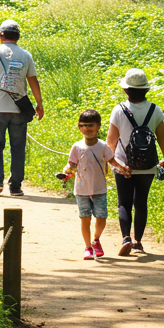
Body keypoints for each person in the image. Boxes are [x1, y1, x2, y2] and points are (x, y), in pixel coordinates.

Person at [104, 68, 164, 256]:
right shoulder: (155, 110)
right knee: (141, 202)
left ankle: (126, 237)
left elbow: (111, 141)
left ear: (126, 90)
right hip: (148, 165)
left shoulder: (119, 110)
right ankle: (138, 241)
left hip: (124, 165)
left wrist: (114, 164)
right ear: (146, 90)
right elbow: (162, 138)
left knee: (124, 203)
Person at [0, 19, 44, 196]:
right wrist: (39, 103)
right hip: (19, 108)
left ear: (1, 36)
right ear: (18, 36)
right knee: (17, 147)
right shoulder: (26, 55)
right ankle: (15, 186)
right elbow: (33, 80)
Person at [58, 109, 112, 260]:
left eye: (90, 125)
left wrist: (123, 168)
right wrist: (67, 173)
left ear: (98, 127)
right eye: (83, 125)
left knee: (101, 217)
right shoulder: (77, 146)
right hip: (81, 189)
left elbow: (112, 160)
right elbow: (72, 165)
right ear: (78, 127)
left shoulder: (102, 146)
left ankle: (96, 240)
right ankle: (87, 247)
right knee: (85, 218)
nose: (86, 128)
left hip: (99, 188)